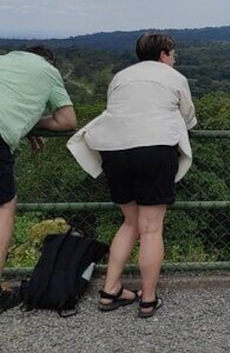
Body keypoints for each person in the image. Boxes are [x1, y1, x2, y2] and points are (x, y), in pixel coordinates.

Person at [67, 33, 196, 318]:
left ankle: (110, 289)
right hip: (155, 148)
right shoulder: (173, 76)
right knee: (151, 228)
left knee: (130, 222)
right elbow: (188, 117)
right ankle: (148, 299)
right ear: (164, 54)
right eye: (173, 54)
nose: (174, 59)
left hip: (113, 150)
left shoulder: (120, 77)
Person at [0, 46, 76, 313]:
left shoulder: (4, 61)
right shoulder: (48, 71)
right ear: (49, 60)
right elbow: (67, 120)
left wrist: (27, 124)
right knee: (4, 207)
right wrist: (34, 122)